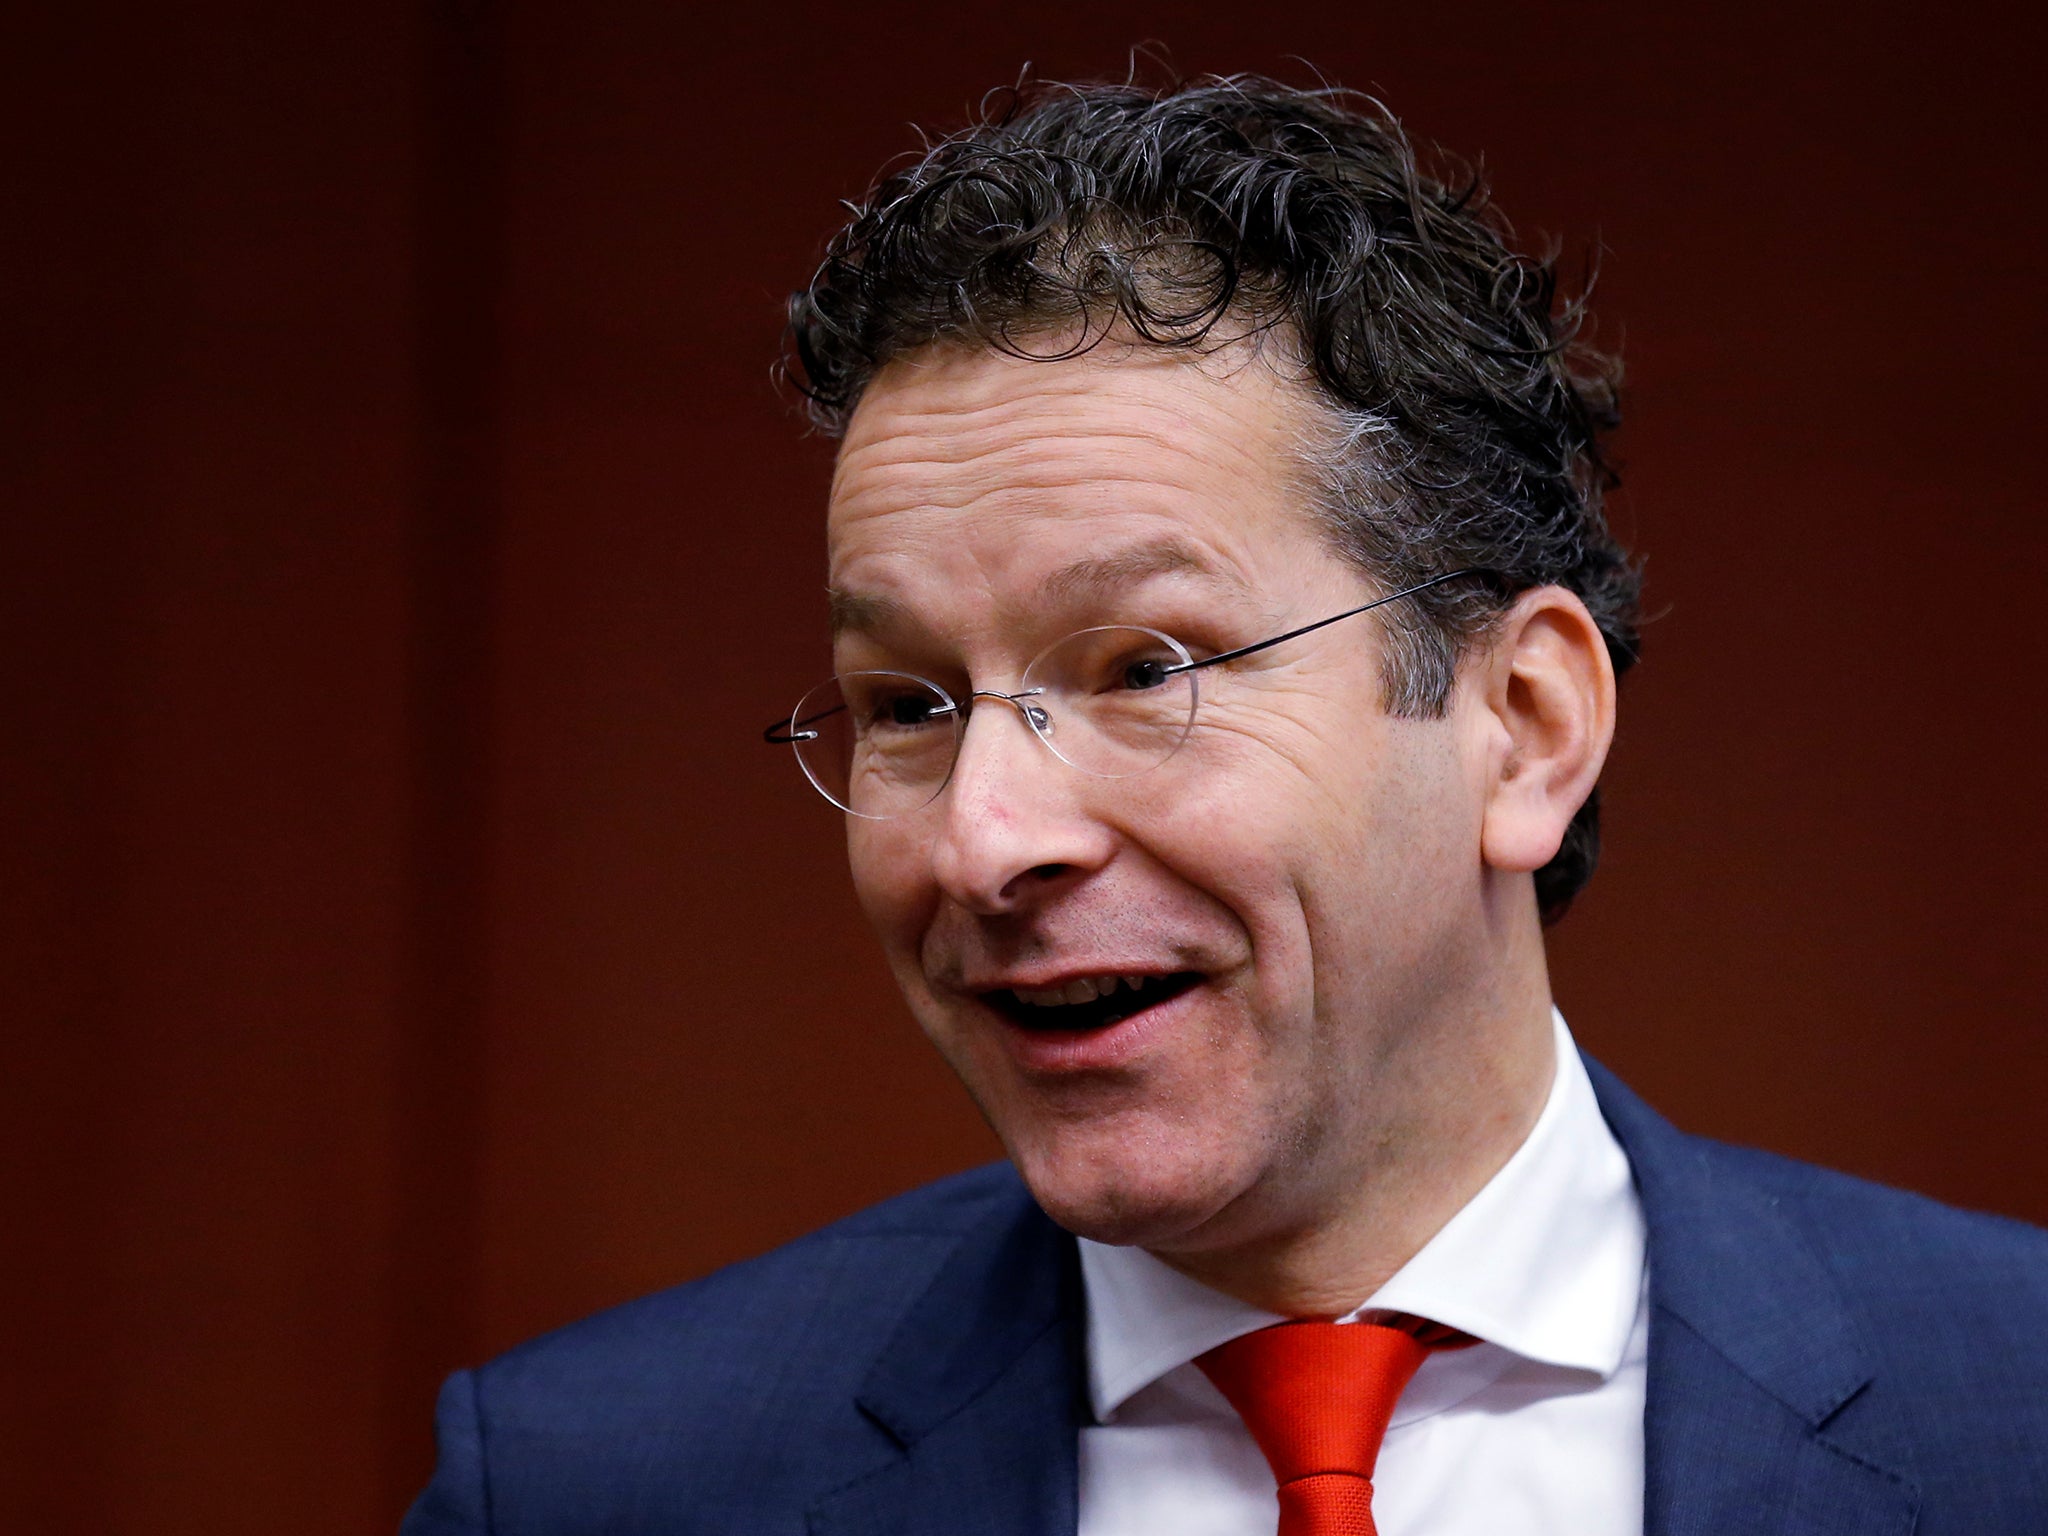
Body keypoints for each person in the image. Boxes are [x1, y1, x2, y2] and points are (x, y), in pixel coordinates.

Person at [400, 75, 2048, 1535]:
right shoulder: (593, 1479)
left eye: (1143, 669)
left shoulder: (2010, 1418)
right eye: (909, 706)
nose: (986, 839)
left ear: (1527, 725)